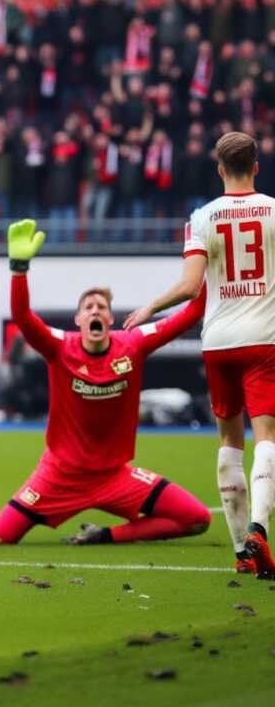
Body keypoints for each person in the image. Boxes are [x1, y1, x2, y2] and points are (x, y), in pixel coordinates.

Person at [0, 220, 211, 548]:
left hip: (114, 477)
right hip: (59, 477)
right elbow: (23, 317)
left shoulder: (133, 344)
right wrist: (19, 270)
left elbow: (193, 312)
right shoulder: (60, 346)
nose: (95, 310)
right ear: (79, 320)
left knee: (197, 519)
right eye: (88, 307)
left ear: (110, 318)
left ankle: (104, 536)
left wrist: (205, 256)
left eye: (101, 307)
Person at [124, 131, 275, 578]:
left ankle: (240, 550)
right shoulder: (273, 210)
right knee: (266, 436)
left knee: (229, 441)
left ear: (219, 169)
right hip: (264, 338)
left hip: (219, 342)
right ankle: (259, 528)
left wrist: (150, 306)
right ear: (256, 166)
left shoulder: (202, 217)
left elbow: (191, 287)